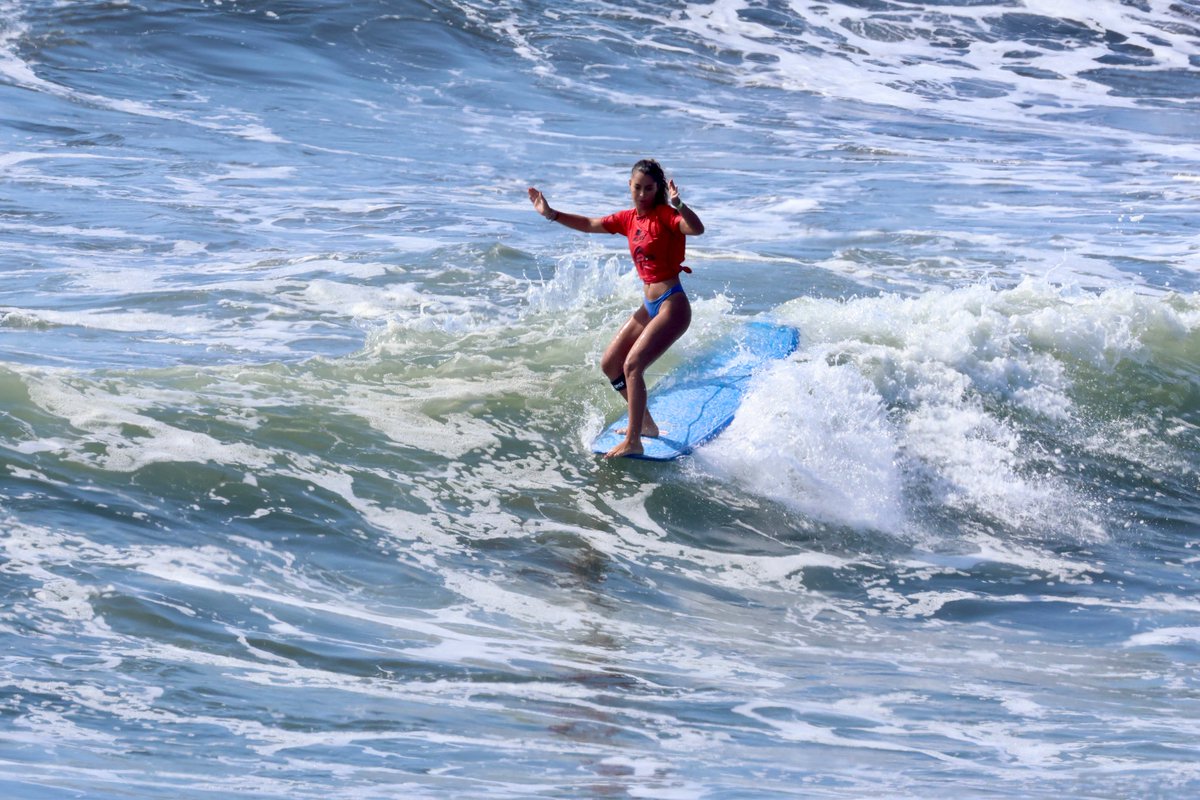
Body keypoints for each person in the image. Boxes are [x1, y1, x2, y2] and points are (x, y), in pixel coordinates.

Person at [528, 158, 706, 459]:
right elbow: (589, 224)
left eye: (649, 189)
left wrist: (680, 204)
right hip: (649, 305)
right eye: (637, 188)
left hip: (672, 305)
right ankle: (646, 425)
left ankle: (634, 439)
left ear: (658, 189)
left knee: (633, 365)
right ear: (630, 186)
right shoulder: (628, 219)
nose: (642, 194)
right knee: (611, 363)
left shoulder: (665, 215)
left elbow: (696, 229)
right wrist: (551, 214)